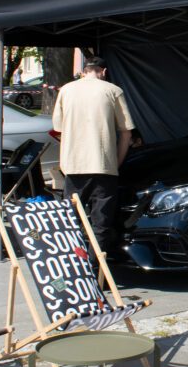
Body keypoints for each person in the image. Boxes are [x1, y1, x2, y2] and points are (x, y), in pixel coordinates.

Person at [51, 56, 135, 250]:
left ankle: (74, 268)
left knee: (71, 222)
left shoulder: (66, 90)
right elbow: (126, 134)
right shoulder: (113, 91)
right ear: (103, 72)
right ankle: (96, 271)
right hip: (103, 167)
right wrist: (116, 162)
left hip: (73, 166)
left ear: (84, 71)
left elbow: (58, 129)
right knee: (101, 224)